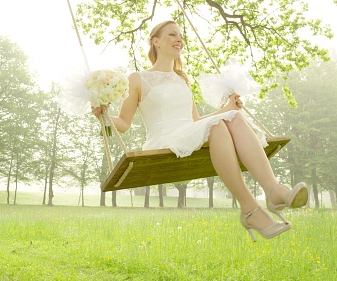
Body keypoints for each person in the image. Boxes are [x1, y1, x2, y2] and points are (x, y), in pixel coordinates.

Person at [92, 20, 308, 241]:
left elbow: (195, 121)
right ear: (156, 41)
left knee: (233, 117)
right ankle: (250, 208)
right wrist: (105, 117)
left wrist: (227, 109)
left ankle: (273, 191)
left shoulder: (182, 80)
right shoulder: (137, 78)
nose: (179, 39)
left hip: (187, 133)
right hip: (163, 139)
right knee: (220, 124)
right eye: (172, 35)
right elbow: (125, 123)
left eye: (181, 36)